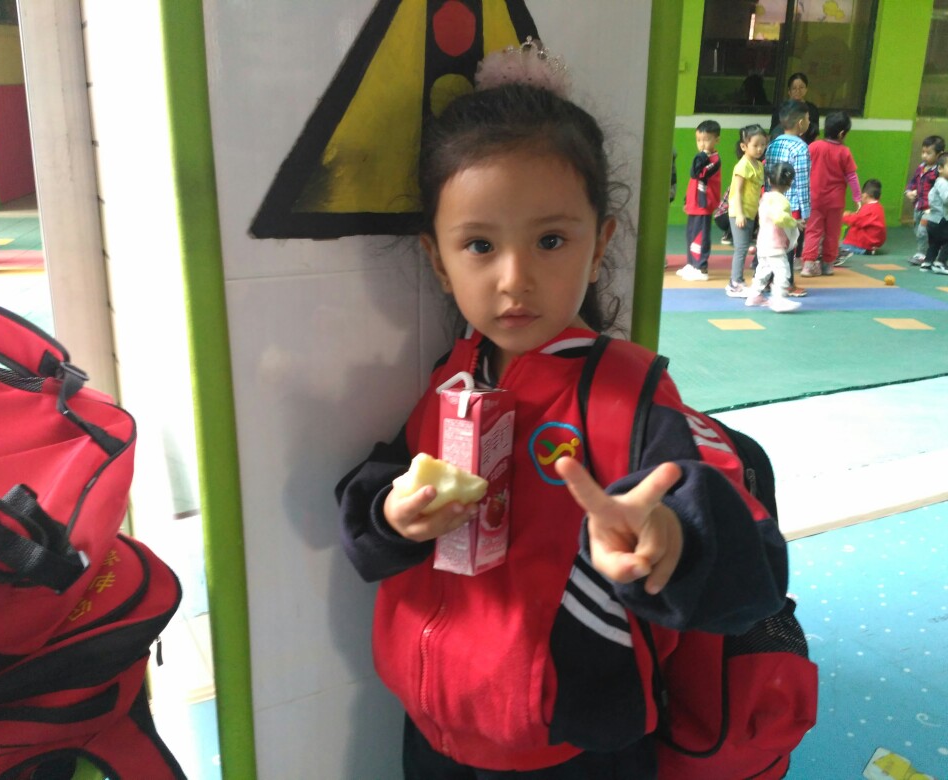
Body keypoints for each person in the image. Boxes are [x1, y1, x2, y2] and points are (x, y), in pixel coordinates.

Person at [335, 76, 792, 777]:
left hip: (576, 753)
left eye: (550, 240)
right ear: (437, 259)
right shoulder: (451, 379)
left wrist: (668, 542)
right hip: (433, 734)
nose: (514, 279)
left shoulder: (633, 398)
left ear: (600, 243)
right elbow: (369, 507)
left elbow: (752, 571)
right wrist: (392, 515)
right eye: (479, 245)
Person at [800, 111, 861, 277]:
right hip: (835, 202)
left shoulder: (813, 147)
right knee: (833, 233)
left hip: (814, 199)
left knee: (813, 231)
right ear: (842, 134)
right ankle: (828, 265)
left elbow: (803, 169)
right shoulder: (844, 152)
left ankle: (808, 265)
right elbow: (852, 176)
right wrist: (857, 197)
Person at [763, 99, 811, 297]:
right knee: (789, 245)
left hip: (771, 200)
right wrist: (806, 211)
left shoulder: (772, 145)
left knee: (773, 241)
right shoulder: (801, 148)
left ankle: (768, 280)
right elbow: (802, 182)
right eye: (808, 119)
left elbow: (767, 174)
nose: (809, 122)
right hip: (792, 205)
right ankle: (787, 283)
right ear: (800, 123)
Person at [745, 162, 801, 313]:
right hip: (775, 244)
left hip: (763, 242)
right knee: (783, 271)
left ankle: (754, 295)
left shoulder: (765, 197)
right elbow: (779, 218)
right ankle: (778, 299)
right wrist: (794, 222)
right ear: (789, 184)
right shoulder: (781, 200)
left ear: (769, 180)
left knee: (763, 269)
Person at [725, 124, 768, 297]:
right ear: (744, 146)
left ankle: (738, 281)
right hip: (739, 213)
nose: (760, 149)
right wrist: (740, 214)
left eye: (763, 144)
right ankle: (735, 282)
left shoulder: (758, 165)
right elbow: (736, 192)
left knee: (744, 247)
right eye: (755, 145)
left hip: (751, 213)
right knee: (741, 248)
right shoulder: (742, 166)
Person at [678, 120, 722, 281]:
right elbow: (693, 182)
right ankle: (692, 263)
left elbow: (696, 173)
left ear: (716, 140)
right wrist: (686, 201)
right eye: (699, 140)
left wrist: (701, 155)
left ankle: (701, 267)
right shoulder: (703, 158)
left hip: (704, 204)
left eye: (706, 139)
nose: (702, 144)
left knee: (700, 236)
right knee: (691, 234)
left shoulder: (714, 160)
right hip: (694, 203)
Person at [920, 151, 948, 276]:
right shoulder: (943, 183)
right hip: (943, 219)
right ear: (940, 168)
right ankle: (940, 263)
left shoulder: (939, 183)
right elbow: (947, 199)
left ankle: (928, 262)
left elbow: (944, 203)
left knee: (935, 242)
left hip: (933, 219)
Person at [905, 135, 944, 266]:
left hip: (930, 209)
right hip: (918, 206)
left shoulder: (938, 171)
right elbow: (913, 182)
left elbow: (941, 188)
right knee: (918, 231)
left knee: (923, 231)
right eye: (923, 152)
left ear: (939, 154)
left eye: (928, 153)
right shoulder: (920, 167)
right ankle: (933, 250)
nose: (924, 156)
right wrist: (909, 192)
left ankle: (922, 254)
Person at [838, 179, 887, 262]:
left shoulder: (868, 209)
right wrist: (852, 214)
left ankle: (851, 251)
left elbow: (857, 220)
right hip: (873, 243)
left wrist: (843, 216)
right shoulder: (878, 207)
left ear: (865, 196)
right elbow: (862, 219)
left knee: (836, 246)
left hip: (862, 245)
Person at [770, 73, 820, 143]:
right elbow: (773, 132)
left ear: (806, 89)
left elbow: (816, 135)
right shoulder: (781, 109)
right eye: (794, 88)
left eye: (801, 87)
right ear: (789, 91)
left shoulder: (812, 109)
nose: (798, 91)